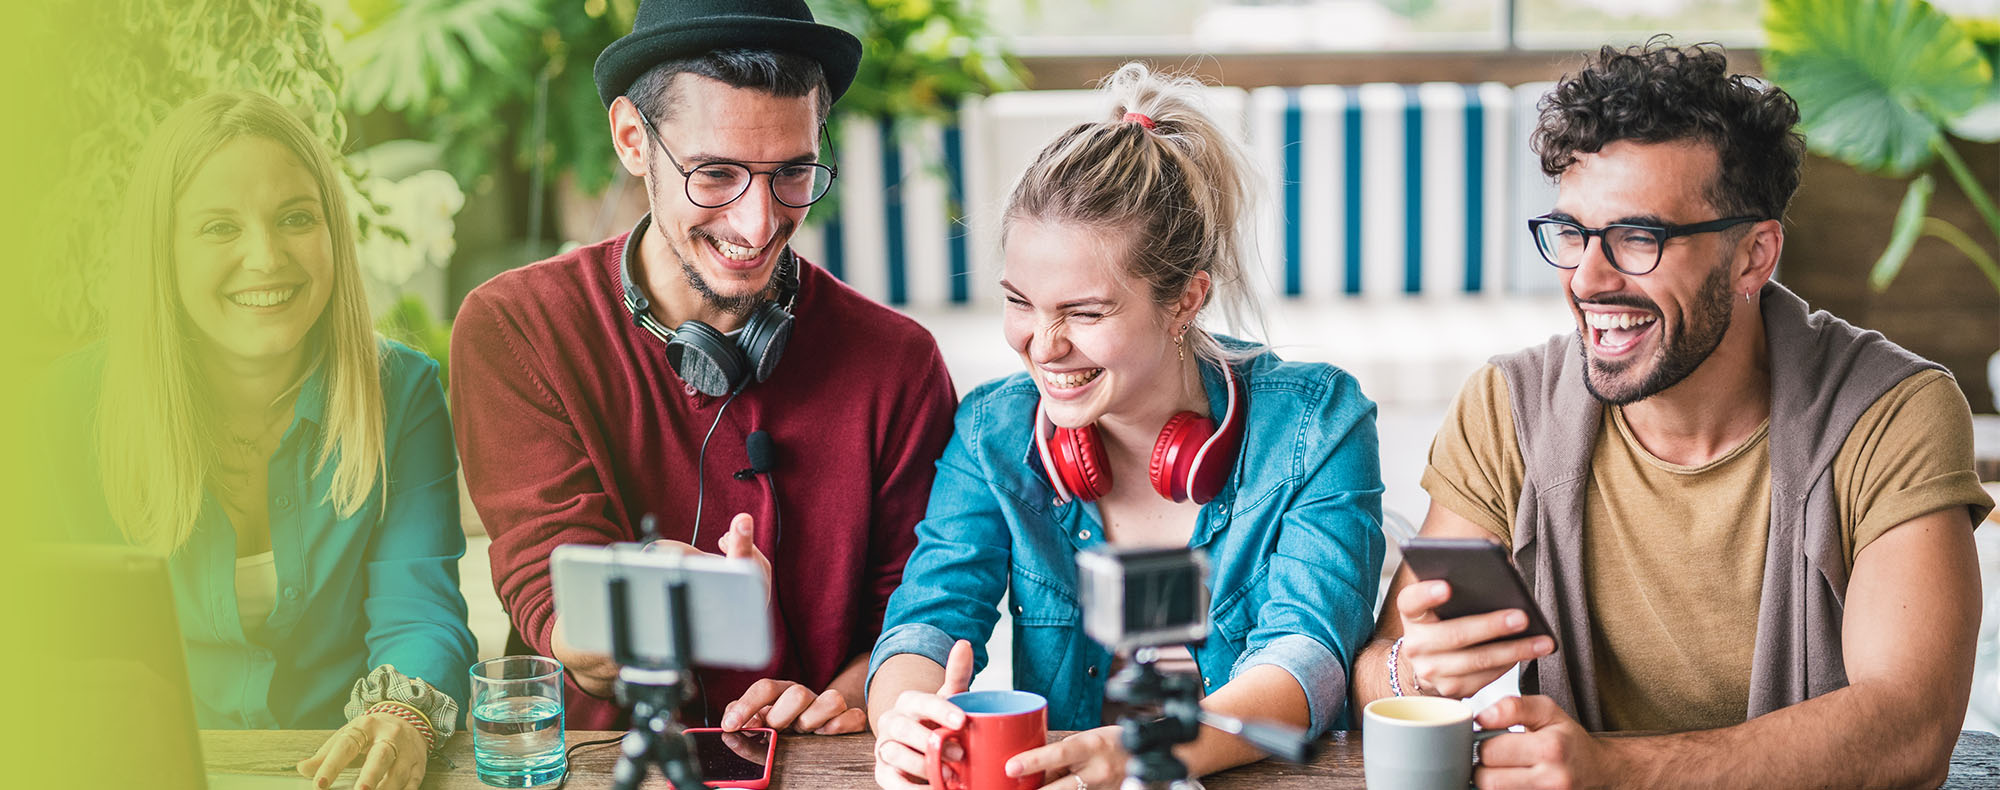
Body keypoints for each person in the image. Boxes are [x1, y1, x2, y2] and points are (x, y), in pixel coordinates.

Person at [1352, 39, 1995, 789]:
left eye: (1638, 238)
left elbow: (1910, 730)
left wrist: (1616, 770)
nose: (1588, 279)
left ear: (1755, 256)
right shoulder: (1509, 409)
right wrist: (1414, 672)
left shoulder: (1892, 413)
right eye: (1572, 234)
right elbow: (1376, 672)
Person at [866, 63, 1385, 790]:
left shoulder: (1317, 424)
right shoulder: (992, 429)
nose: (1042, 346)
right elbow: (929, 615)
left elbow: (1309, 658)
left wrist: (1144, 749)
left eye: (1084, 313)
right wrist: (905, 717)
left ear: (1185, 301)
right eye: (1020, 301)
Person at [449, 0, 958, 733]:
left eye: (793, 173)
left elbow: (911, 611)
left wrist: (840, 701)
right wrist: (677, 603)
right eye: (715, 174)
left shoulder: (900, 365)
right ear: (632, 139)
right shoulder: (517, 330)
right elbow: (550, 598)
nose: (757, 224)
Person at [42, 91, 476, 790]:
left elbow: (420, 607)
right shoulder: (66, 412)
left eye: (296, 218)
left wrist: (403, 714)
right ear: (165, 250)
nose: (265, 256)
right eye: (219, 227)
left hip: (338, 774)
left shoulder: (402, 394)